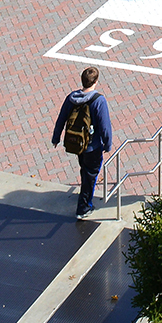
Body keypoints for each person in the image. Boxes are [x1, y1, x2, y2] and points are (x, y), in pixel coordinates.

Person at [51, 67, 113, 218]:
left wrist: (56, 138)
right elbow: (105, 126)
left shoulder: (72, 97)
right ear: (96, 82)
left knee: (85, 170)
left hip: (77, 144)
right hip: (93, 146)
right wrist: (108, 144)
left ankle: (84, 196)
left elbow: (61, 119)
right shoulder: (99, 100)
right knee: (91, 174)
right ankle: (84, 207)